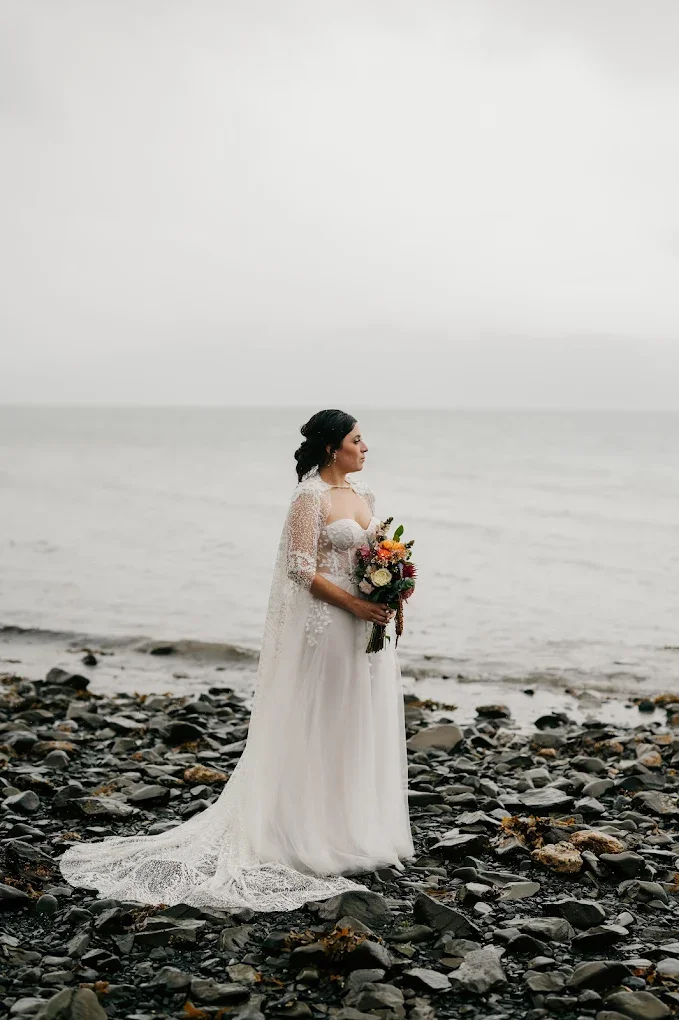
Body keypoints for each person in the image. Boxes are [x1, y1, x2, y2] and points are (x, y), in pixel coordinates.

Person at [59, 409, 414, 912]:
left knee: (358, 721)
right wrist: (355, 603)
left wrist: (396, 597)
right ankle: (304, 832)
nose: (365, 447)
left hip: (367, 628)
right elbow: (298, 567)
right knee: (320, 720)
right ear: (334, 447)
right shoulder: (309, 496)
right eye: (358, 440)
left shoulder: (365, 497)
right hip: (329, 625)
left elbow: (381, 557)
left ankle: (355, 827)